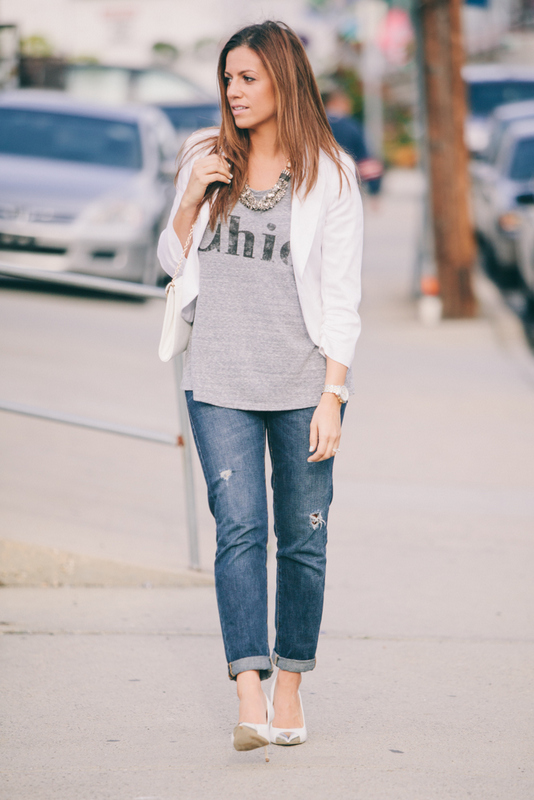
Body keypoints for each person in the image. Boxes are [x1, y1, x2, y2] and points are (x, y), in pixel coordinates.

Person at [157, 20, 363, 758]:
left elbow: (342, 298)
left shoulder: (330, 175)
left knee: (302, 542)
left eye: (247, 78)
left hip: (304, 381)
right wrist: (190, 201)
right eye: (228, 79)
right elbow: (170, 260)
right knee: (239, 527)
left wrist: (334, 395)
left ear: (283, 80)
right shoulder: (204, 158)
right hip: (217, 379)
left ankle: (290, 684)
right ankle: (249, 688)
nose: (233, 92)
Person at [324, 88, 383, 196]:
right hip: (348, 184)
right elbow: (365, 159)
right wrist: (374, 189)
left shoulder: (316, 126)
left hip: (319, 183)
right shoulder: (353, 127)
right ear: (338, 102)